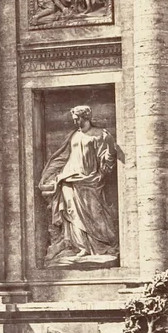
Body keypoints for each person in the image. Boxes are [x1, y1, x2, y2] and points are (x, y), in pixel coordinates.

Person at [38, 105, 120, 266]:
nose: (75, 122)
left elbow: (107, 157)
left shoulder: (100, 135)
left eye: (77, 119)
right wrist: (50, 174)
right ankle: (80, 247)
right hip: (69, 178)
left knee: (95, 212)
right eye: (74, 119)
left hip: (90, 179)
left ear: (86, 117)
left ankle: (100, 246)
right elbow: (63, 156)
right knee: (72, 212)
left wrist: (103, 170)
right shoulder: (74, 135)